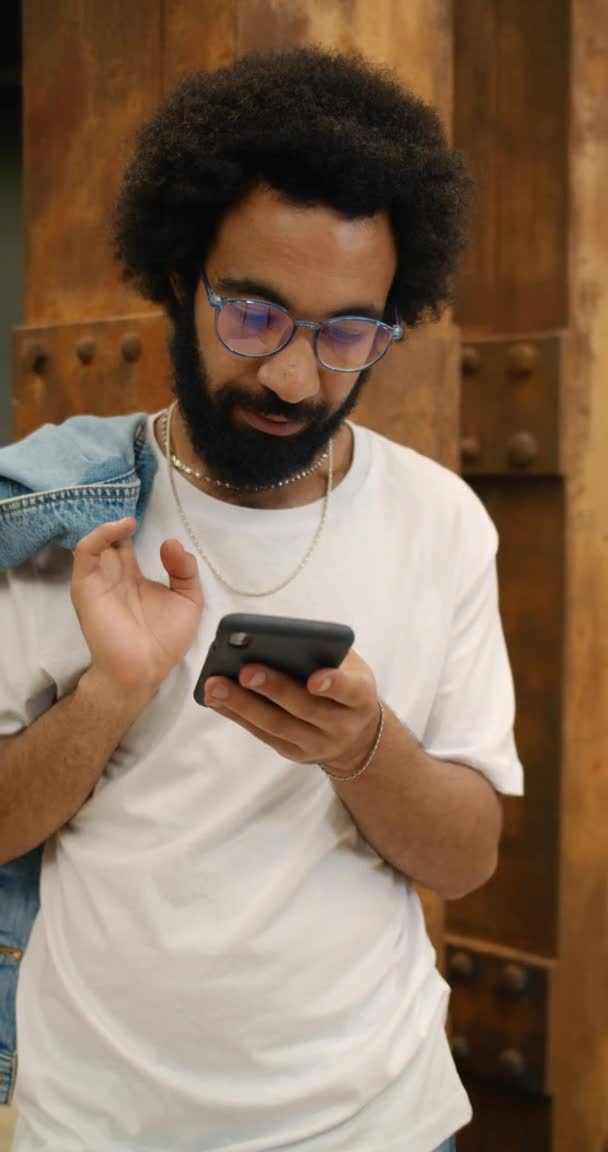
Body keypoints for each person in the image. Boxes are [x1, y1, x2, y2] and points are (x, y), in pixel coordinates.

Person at [0, 47, 523, 1152]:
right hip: (94, 1126)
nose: (292, 376)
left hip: (376, 1122)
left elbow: (467, 858)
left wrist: (363, 747)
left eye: (345, 334)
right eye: (253, 316)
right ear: (179, 276)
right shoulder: (51, 515)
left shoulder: (439, 523)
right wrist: (112, 692)